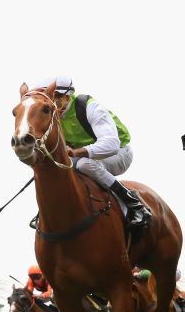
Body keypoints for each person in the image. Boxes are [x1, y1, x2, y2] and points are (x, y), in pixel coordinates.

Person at [35, 76, 151, 230]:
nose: (53, 103)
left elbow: (112, 144)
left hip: (119, 154)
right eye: (49, 98)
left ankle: (134, 203)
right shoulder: (52, 116)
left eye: (56, 97)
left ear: (68, 96)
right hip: (88, 157)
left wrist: (77, 152)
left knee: (84, 164)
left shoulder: (90, 107)